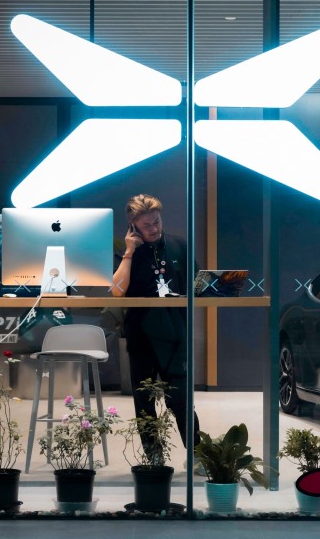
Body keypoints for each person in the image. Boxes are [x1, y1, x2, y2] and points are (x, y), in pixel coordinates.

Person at [112, 193, 200, 450]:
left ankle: (197, 455)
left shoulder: (179, 246)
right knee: (145, 399)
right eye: (146, 225)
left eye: (157, 222)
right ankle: (153, 457)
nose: (154, 229)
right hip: (141, 333)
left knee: (181, 398)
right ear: (133, 227)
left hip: (175, 333)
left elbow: (199, 285)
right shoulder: (126, 254)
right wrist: (129, 252)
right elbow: (117, 291)